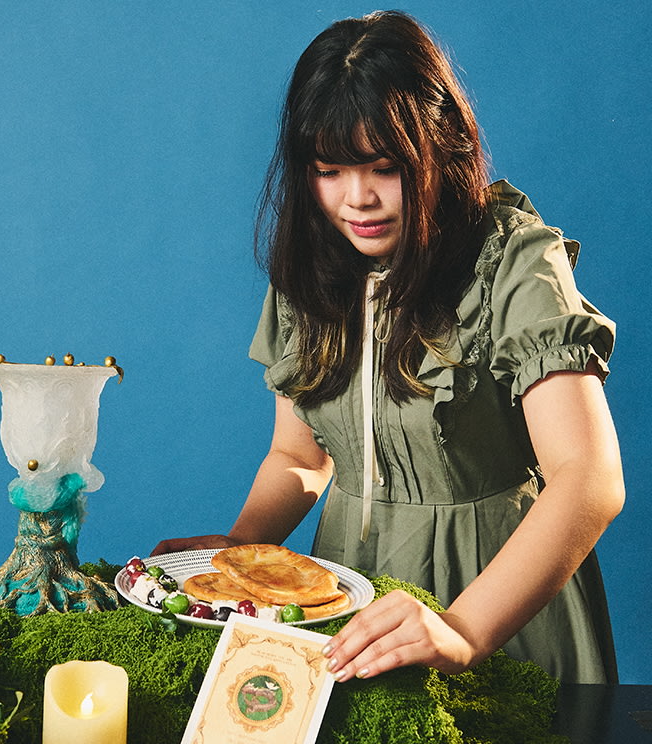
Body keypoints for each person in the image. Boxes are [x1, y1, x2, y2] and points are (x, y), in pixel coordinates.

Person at [152, 11, 624, 684]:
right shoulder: (310, 272)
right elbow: (298, 455)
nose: (358, 199)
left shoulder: (514, 261)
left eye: (384, 167)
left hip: (498, 602)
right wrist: (241, 547)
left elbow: (590, 479)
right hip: (345, 597)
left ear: (443, 146)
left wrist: (462, 630)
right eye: (331, 170)